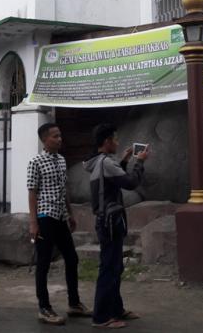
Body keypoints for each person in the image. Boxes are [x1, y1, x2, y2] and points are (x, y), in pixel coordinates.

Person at [84, 123, 149, 329]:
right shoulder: (105, 163)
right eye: (115, 139)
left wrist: (124, 159)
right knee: (109, 268)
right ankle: (101, 317)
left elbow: (111, 179)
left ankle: (116, 309)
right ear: (106, 142)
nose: (118, 142)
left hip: (107, 221)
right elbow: (129, 183)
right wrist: (139, 162)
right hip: (110, 222)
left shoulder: (100, 162)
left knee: (115, 266)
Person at [27, 122, 92, 325]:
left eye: (60, 135)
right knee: (44, 264)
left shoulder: (62, 161)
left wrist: (70, 214)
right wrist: (33, 222)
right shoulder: (36, 162)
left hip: (61, 216)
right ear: (45, 139)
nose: (59, 139)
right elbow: (32, 193)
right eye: (55, 136)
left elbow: (64, 190)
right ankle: (44, 308)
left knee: (71, 258)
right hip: (45, 217)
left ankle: (74, 303)